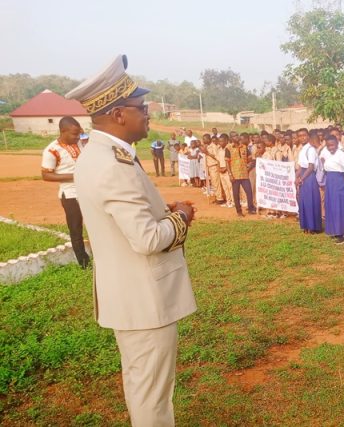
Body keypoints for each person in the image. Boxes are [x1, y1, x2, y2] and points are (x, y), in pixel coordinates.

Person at [66, 55, 197, 426]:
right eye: (142, 108)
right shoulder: (113, 164)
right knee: (151, 395)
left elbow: (127, 218)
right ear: (119, 114)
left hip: (130, 296)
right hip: (144, 300)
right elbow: (147, 238)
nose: (148, 115)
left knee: (144, 386)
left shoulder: (101, 155)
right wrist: (181, 216)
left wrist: (161, 211)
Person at [40, 116, 90, 268]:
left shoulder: (80, 142)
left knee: (96, 223)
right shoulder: (52, 150)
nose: (78, 137)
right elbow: (46, 175)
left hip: (87, 191)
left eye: (79, 133)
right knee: (76, 228)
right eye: (74, 134)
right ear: (63, 131)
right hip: (70, 195)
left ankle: (101, 257)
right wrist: (75, 176)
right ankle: (84, 263)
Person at [320, 134, 344, 243]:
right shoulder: (327, 153)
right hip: (330, 181)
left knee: (339, 206)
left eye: (332, 145)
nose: (331, 148)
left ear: (337, 144)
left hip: (338, 182)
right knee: (331, 206)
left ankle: (342, 233)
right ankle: (334, 230)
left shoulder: (341, 155)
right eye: (328, 145)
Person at [296, 128, 322, 232]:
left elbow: (311, 167)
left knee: (311, 201)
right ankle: (306, 225)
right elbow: (300, 167)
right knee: (304, 201)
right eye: (300, 136)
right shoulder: (302, 150)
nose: (302, 138)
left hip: (309, 177)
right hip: (303, 176)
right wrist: (296, 177)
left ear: (308, 136)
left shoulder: (311, 149)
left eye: (304, 135)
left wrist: (302, 178)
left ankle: (313, 227)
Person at [225, 134, 257, 217]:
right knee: (236, 194)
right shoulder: (228, 148)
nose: (236, 137)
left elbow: (250, 158)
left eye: (237, 135)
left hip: (244, 174)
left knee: (249, 192)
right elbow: (227, 163)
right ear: (231, 138)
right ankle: (239, 211)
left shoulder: (244, 147)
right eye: (234, 136)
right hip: (234, 175)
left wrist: (248, 165)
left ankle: (251, 209)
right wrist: (230, 175)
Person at [217, 135, 235, 208]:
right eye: (219, 141)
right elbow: (218, 160)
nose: (220, 143)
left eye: (222, 141)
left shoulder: (229, 148)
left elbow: (231, 161)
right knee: (225, 187)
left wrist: (226, 168)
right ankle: (228, 201)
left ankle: (233, 202)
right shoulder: (219, 150)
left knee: (230, 187)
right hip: (221, 170)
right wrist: (219, 168)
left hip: (228, 170)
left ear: (226, 141)